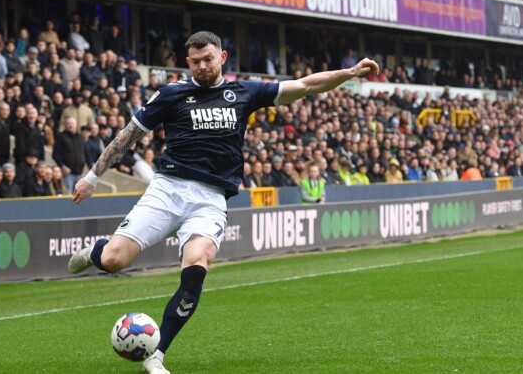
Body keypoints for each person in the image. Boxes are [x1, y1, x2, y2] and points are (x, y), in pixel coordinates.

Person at [67, 31, 378, 374]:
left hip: (210, 199)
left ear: (222, 57)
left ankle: (157, 355)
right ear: (188, 63)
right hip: (168, 189)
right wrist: (92, 177)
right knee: (114, 260)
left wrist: (349, 73)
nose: (202, 66)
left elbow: (304, 85)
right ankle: (96, 251)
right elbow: (129, 135)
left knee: (196, 268)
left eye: (208, 59)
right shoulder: (171, 94)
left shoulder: (244, 92)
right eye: (195, 62)